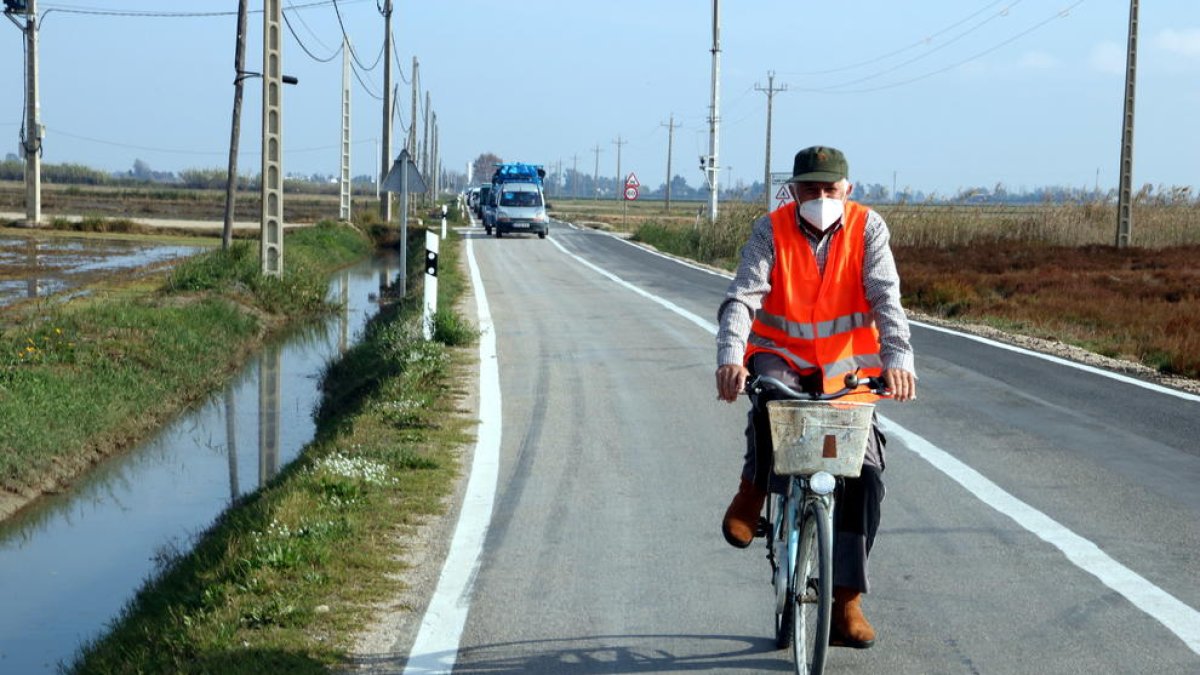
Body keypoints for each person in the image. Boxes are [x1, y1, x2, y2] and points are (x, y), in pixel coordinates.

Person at [715, 145, 917, 649]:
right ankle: (753, 490)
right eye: (810, 189)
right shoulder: (771, 229)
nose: (820, 197)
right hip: (780, 353)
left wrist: (899, 359)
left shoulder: (868, 229)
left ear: (846, 189)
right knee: (770, 402)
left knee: (865, 476)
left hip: (846, 368)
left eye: (830, 189)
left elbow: (885, 297)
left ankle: (845, 599)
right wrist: (730, 356)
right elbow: (744, 296)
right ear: (795, 190)